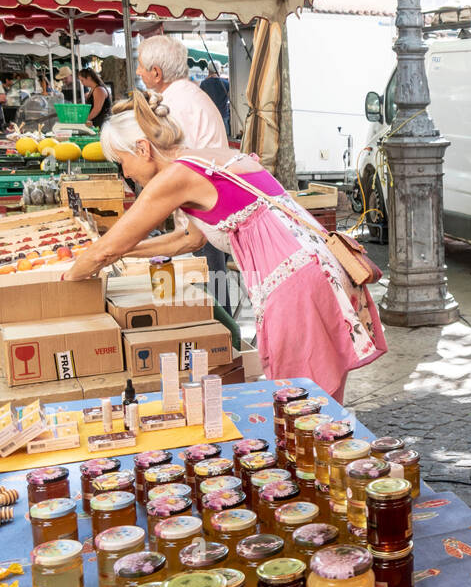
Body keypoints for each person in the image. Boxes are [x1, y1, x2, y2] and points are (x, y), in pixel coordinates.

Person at [61, 91, 386, 402]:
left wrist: (65, 281)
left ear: (143, 149)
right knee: (318, 399)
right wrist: (123, 251)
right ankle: (328, 456)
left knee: (300, 403)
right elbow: (188, 239)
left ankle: (318, 457)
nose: (125, 173)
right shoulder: (208, 157)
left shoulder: (175, 176)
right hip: (323, 270)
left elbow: (106, 249)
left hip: (295, 285)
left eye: (121, 161)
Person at [137, 35, 239, 341]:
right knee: (213, 287)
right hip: (209, 212)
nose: (139, 73)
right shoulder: (190, 96)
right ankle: (226, 346)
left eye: (142, 68)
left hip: (206, 214)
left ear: (156, 73)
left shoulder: (172, 106)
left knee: (210, 300)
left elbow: (172, 175)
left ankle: (226, 349)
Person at [199, 63, 231, 135]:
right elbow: (230, 98)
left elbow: (201, 101)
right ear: (219, 70)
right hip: (223, 116)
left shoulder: (204, 83)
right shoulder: (226, 83)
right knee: (226, 140)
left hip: (209, 118)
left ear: (209, 70)